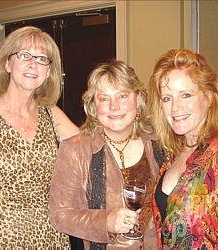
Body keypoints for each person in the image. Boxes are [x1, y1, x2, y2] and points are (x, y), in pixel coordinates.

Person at [0, 26, 79, 249]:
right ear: (7, 64)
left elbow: (90, 146)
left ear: (48, 72)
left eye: (42, 58)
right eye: (24, 55)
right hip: (4, 237)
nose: (33, 64)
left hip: (51, 235)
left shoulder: (50, 112)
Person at [49, 60, 163, 249]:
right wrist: (106, 222)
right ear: (93, 105)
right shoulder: (75, 150)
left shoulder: (160, 144)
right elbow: (59, 215)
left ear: (138, 98)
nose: (114, 106)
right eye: (104, 98)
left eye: (122, 96)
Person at [148, 49, 218, 249]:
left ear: (208, 98)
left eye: (186, 95)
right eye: (167, 98)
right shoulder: (174, 153)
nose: (175, 107)